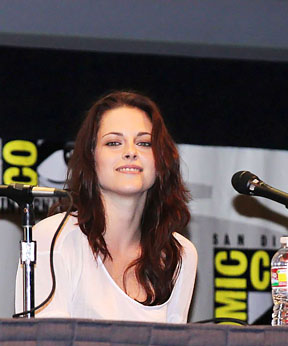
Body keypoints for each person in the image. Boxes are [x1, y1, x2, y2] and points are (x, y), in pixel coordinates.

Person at [15, 91, 197, 323]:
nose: (131, 152)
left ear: (160, 159)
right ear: (91, 158)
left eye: (144, 143)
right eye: (113, 143)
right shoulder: (52, 238)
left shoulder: (180, 254)